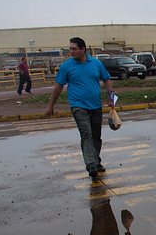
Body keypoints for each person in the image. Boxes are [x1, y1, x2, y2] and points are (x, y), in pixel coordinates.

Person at [46, 37, 114, 178]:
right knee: (86, 134)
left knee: (96, 136)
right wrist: (51, 105)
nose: (71, 51)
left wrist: (111, 99)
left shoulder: (95, 63)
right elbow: (58, 86)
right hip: (78, 106)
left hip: (96, 105)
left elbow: (106, 80)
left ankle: (96, 160)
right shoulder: (67, 66)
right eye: (70, 48)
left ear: (83, 49)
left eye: (74, 48)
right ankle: (91, 165)